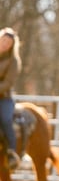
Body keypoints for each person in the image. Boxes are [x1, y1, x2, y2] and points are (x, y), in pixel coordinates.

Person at [0, 27, 22, 170]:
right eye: (4, 40)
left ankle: (11, 152)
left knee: (6, 119)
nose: (5, 44)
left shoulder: (13, 61)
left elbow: (8, 83)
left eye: (8, 43)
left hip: (4, 97)